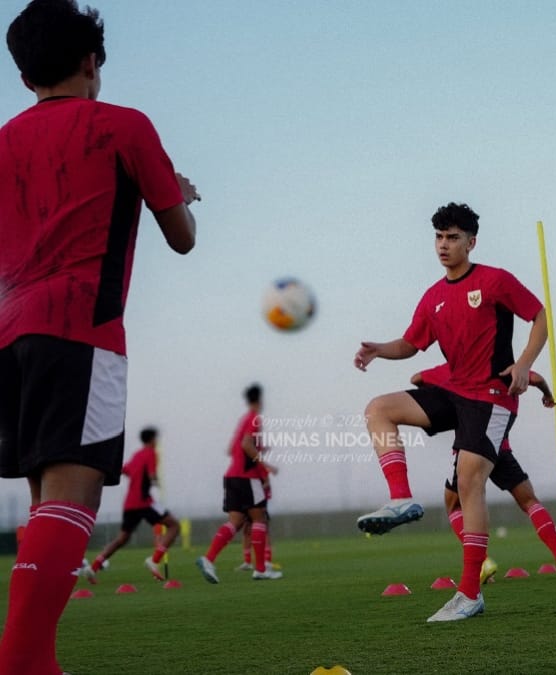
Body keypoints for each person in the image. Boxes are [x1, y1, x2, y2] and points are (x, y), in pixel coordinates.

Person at [0, 2, 198, 672]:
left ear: (25, 76)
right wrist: (180, 194)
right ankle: (23, 660)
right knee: (74, 495)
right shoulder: (123, 125)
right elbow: (182, 239)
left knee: (44, 499)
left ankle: (37, 657)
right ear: (92, 61)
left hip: (9, 333)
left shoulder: (2, 141)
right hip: (81, 327)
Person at [354, 202, 547, 622]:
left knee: (468, 480)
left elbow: (539, 316)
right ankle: (401, 499)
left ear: (471, 242)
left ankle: (470, 594)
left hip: (493, 396)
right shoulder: (433, 297)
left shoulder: (495, 281)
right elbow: (410, 344)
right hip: (455, 393)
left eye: (453, 238)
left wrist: (525, 364)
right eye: (439, 237)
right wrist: (379, 351)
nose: (444, 245)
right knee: (378, 409)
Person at [412, 364, 556, 579]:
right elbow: (538, 378)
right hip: (500, 449)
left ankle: (483, 562)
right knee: (529, 501)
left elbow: (417, 378)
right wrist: (548, 396)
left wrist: (440, 398)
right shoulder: (507, 369)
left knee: (454, 505)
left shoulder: (460, 368)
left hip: (469, 451)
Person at [196, 384, 282, 582]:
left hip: (232, 476)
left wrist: (258, 448)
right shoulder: (254, 419)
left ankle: (208, 559)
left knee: (235, 522)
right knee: (259, 519)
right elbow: (246, 445)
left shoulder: (243, 420)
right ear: (260, 400)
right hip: (247, 477)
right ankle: (261, 569)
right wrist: (265, 465)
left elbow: (231, 449)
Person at [81, 427, 180, 583]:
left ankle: (93, 568)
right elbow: (152, 474)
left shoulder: (137, 455)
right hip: (144, 502)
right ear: (152, 439)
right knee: (174, 526)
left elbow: (124, 470)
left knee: (121, 539)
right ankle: (154, 560)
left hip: (130, 504)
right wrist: (156, 483)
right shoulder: (151, 453)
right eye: (156, 438)